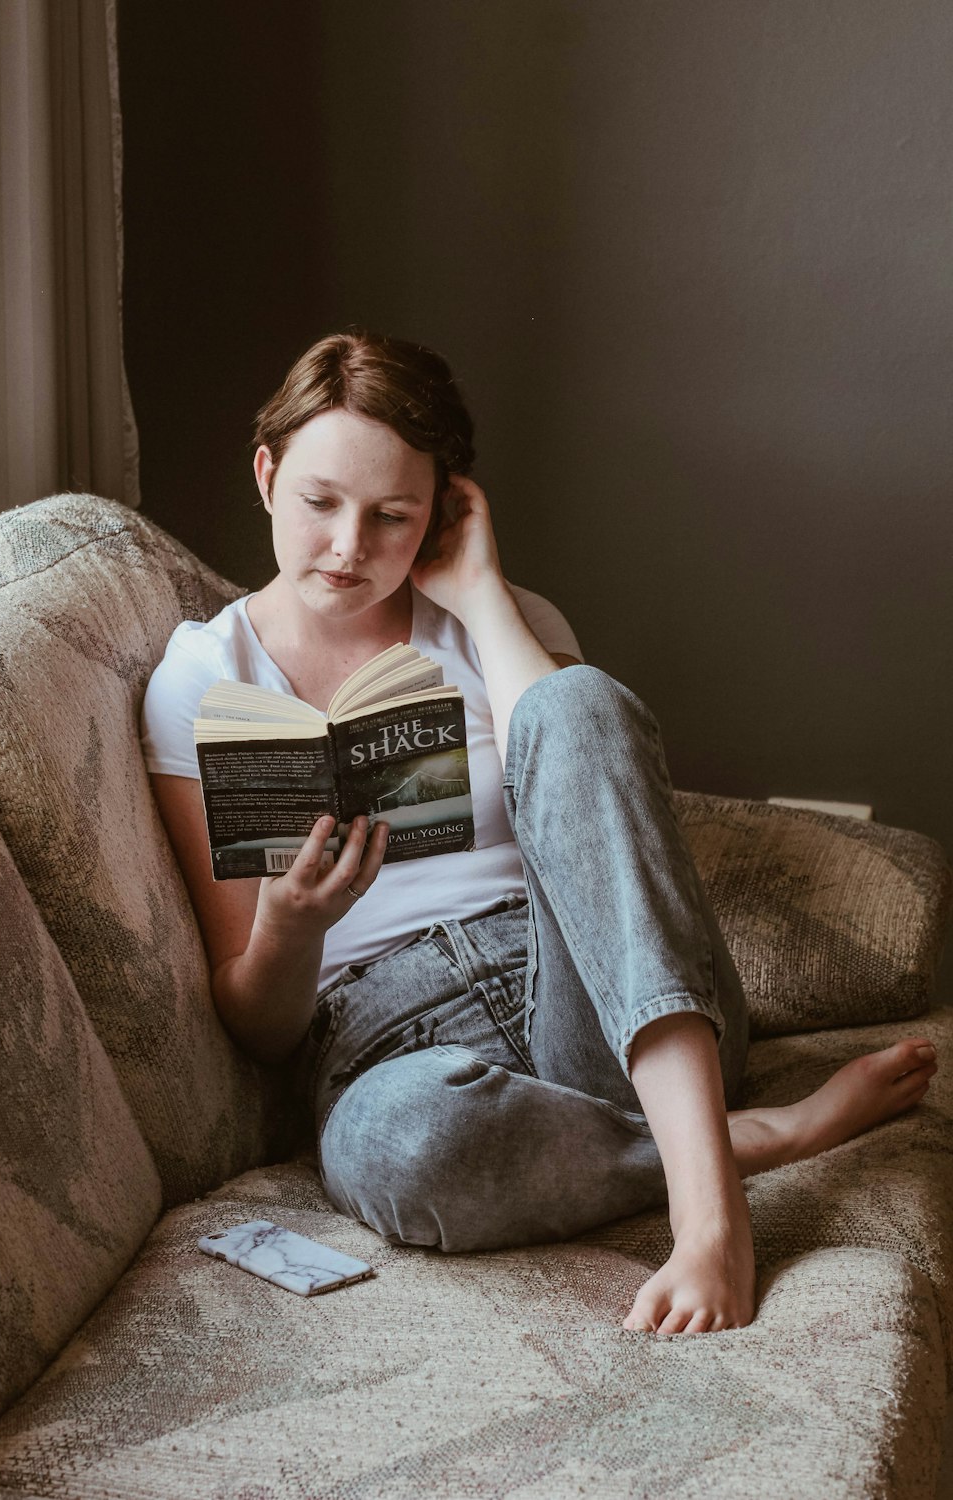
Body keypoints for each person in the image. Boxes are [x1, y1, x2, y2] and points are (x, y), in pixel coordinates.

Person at [141, 330, 938, 1335]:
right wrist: (293, 925)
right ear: (266, 475)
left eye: (393, 515)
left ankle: (707, 1215)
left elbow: (588, 769)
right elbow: (254, 1021)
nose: (349, 546)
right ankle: (763, 1137)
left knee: (575, 703)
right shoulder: (202, 679)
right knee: (396, 1149)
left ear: (444, 508)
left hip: (596, 993)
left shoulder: (501, 618)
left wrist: (479, 596)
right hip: (391, 1048)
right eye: (320, 503)